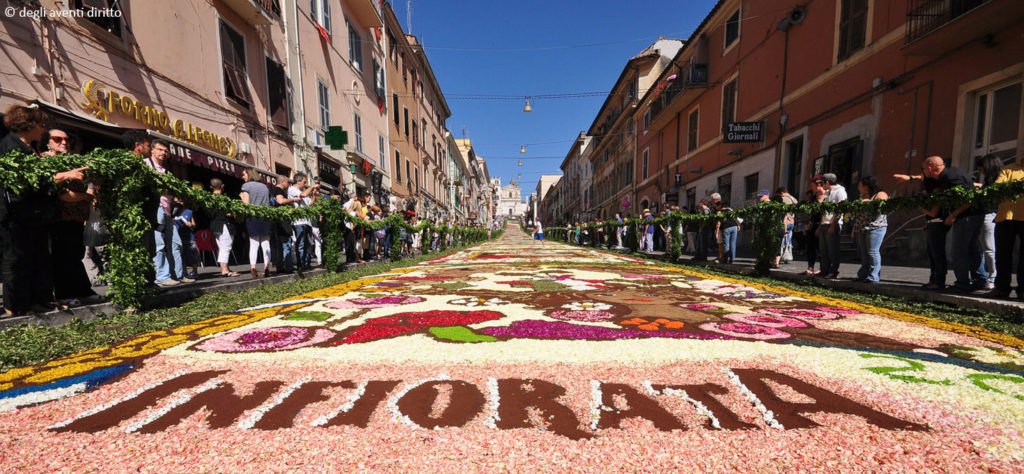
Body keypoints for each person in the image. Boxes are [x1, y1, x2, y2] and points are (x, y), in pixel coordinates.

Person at [0, 106, 87, 315]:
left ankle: (40, 301)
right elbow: (26, 179)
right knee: (18, 260)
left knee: (39, 258)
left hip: (35, 214)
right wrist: (65, 175)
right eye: (42, 125)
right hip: (17, 214)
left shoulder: (29, 147)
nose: (44, 130)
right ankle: (17, 306)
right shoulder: (10, 146)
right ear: (30, 124)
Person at [895, 156, 980, 290]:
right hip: (962, 216)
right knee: (969, 249)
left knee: (957, 251)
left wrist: (952, 215)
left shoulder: (950, 179)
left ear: (929, 168)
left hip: (966, 216)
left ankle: (961, 283)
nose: (923, 173)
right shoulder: (948, 175)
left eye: (923, 169)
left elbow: (969, 199)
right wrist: (910, 178)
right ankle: (978, 281)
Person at [43, 129, 103, 306]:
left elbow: (86, 186)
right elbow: (63, 195)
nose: (64, 142)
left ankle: (82, 290)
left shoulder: (72, 160)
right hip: (57, 217)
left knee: (75, 254)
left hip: (76, 217)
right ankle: (63, 294)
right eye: (57, 139)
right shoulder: (44, 160)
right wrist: (84, 196)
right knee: (62, 256)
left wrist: (89, 191)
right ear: (48, 142)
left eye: (66, 139)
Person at [145, 139, 192, 287]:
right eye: (160, 150)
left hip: (167, 210)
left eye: (165, 151)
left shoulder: (165, 171)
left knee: (176, 243)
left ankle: (177, 275)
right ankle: (162, 277)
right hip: (156, 208)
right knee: (159, 244)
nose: (163, 153)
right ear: (152, 150)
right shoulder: (146, 165)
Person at [985, 155, 1024, 298]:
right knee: (1003, 254)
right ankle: (1002, 287)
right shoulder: (1009, 169)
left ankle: (1023, 289)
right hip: (1006, 217)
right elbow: (998, 187)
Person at [851, 176, 888, 283]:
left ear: (866, 186)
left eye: (860, 185)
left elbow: (879, 206)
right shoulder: (861, 197)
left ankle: (873, 276)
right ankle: (863, 275)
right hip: (861, 227)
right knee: (864, 253)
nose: (858, 187)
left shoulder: (880, 194)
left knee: (872, 252)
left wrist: (867, 202)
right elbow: (858, 214)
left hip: (876, 227)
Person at [240, 167, 272, 278]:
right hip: (265, 216)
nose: (242, 176)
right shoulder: (265, 187)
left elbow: (246, 204)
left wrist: (241, 198)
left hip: (253, 216)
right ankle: (266, 267)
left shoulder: (246, 186)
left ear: (249, 174)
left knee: (254, 244)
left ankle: (253, 269)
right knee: (265, 243)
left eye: (244, 174)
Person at [976, 155, 1002, 290]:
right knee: (983, 248)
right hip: (985, 215)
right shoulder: (990, 181)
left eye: (981, 168)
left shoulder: (998, 180)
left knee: (989, 249)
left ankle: (992, 277)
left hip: (990, 215)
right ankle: (985, 277)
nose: (980, 171)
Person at [817, 173, 847, 279]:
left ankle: (833, 271)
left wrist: (833, 225)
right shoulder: (826, 192)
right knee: (823, 250)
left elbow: (841, 208)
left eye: (822, 183)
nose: (821, 185)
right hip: (824, 223)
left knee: (832, 250)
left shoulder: (840, 191)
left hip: (833, 224)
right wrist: (820, 225)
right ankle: (824, 270)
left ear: (827, 182)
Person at [288, 173, 319, 272]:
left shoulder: (302, 190)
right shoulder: (292, 189)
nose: (305, 185)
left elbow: (310, 204)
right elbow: (304, 195)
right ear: (298, 181)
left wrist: (313, 195)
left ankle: (307, 264)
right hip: (299, 222)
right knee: (300, 244)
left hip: (307, 221)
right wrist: (312, 186)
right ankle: (300, 265)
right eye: (304, 182)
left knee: (308, 244)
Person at [208, 178, 240, 277]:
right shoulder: (223, 198)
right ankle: (224, 270)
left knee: (222, 246)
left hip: (215, 225)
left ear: (211, 187)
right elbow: (228, 213)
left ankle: (226, 268)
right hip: (224, 224)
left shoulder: (209, 198)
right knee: (226, 247)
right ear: (222, 186)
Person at [270, 175, 296, 274]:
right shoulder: (279, 191)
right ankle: (289, 267)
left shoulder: (272, 190)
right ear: (282, 182)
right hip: (283, 223)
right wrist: (293, 200)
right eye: (288, 182)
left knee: (279, 246)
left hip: (276, 222)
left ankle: (280, 268)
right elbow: (280, 201)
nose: (289, 184)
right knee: (286, 245)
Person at [802, 181, 826, 275]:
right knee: (810, 247)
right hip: (812, 225)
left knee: (821, 248)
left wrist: (819, 227)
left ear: (819, 185)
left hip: (822, 224)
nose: (812, 188)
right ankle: (810, 267)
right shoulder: (813, 198)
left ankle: (822, 267)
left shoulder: (827, 197)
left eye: (813, 186)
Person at [174, 199, 200, 280]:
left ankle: (195, 271)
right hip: (179, 236)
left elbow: (194, 224)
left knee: (193, 254)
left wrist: (191, 224)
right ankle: (184, 271)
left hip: (189, 236)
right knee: (182, 255)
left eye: (181, 201)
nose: (179, 203)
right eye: (177, 202)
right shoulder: (174, 213)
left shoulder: (189, 211)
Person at [774, 186, 799, 267]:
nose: (780, 197)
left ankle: (782, 256)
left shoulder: (783, 199)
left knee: (783, 240)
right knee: (789, 240)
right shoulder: (795, 199)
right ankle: (788, 256)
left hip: (785, 221)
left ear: (782, 193)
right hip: (792, 221)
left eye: (779, 195)